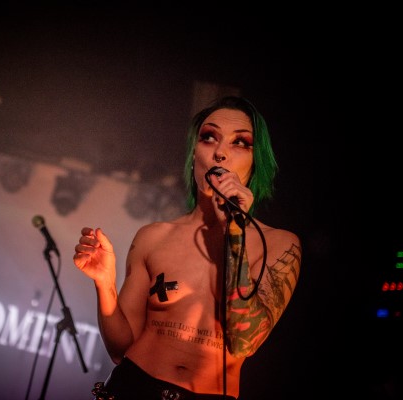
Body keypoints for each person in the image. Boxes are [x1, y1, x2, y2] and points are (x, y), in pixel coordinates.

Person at [73, 96, 301, 400]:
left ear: (255, 162)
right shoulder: (154, 236)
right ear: (194, 154)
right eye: (210, 138)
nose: (220, 153)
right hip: (133, 386)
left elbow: (244, 341)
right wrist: (105, 284)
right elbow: (119, 349)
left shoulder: (280, 244)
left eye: (240, 143)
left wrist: (236, 229)